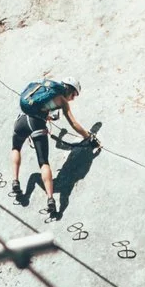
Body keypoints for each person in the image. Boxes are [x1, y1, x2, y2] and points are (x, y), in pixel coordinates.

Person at [9, 77, 92, 217]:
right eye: (74, 95)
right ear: (69, 90)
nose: (73, 99)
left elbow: (38, 105)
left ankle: (15, 181)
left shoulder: (43, 87)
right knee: (43, 162)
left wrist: (46, 116)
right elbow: (73, 123)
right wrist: (88, 137)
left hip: (21, 120)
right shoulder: (62, 100)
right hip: (37, 124)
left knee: (16, 148)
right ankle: (50, 199)